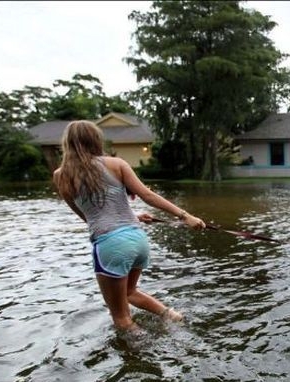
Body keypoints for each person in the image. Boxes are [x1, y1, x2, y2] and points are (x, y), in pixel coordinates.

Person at [52, 120, 207, 334]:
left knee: (121, 318)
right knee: (130, 292)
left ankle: (143, 353)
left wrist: (182, 215)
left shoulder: (60, 176)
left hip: (110, 245)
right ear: (95, 139)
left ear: (67, 143)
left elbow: (88, 216)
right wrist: (185, 216)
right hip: (137, 239)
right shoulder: (116, 164)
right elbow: (147, 195)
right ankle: (170, 315)